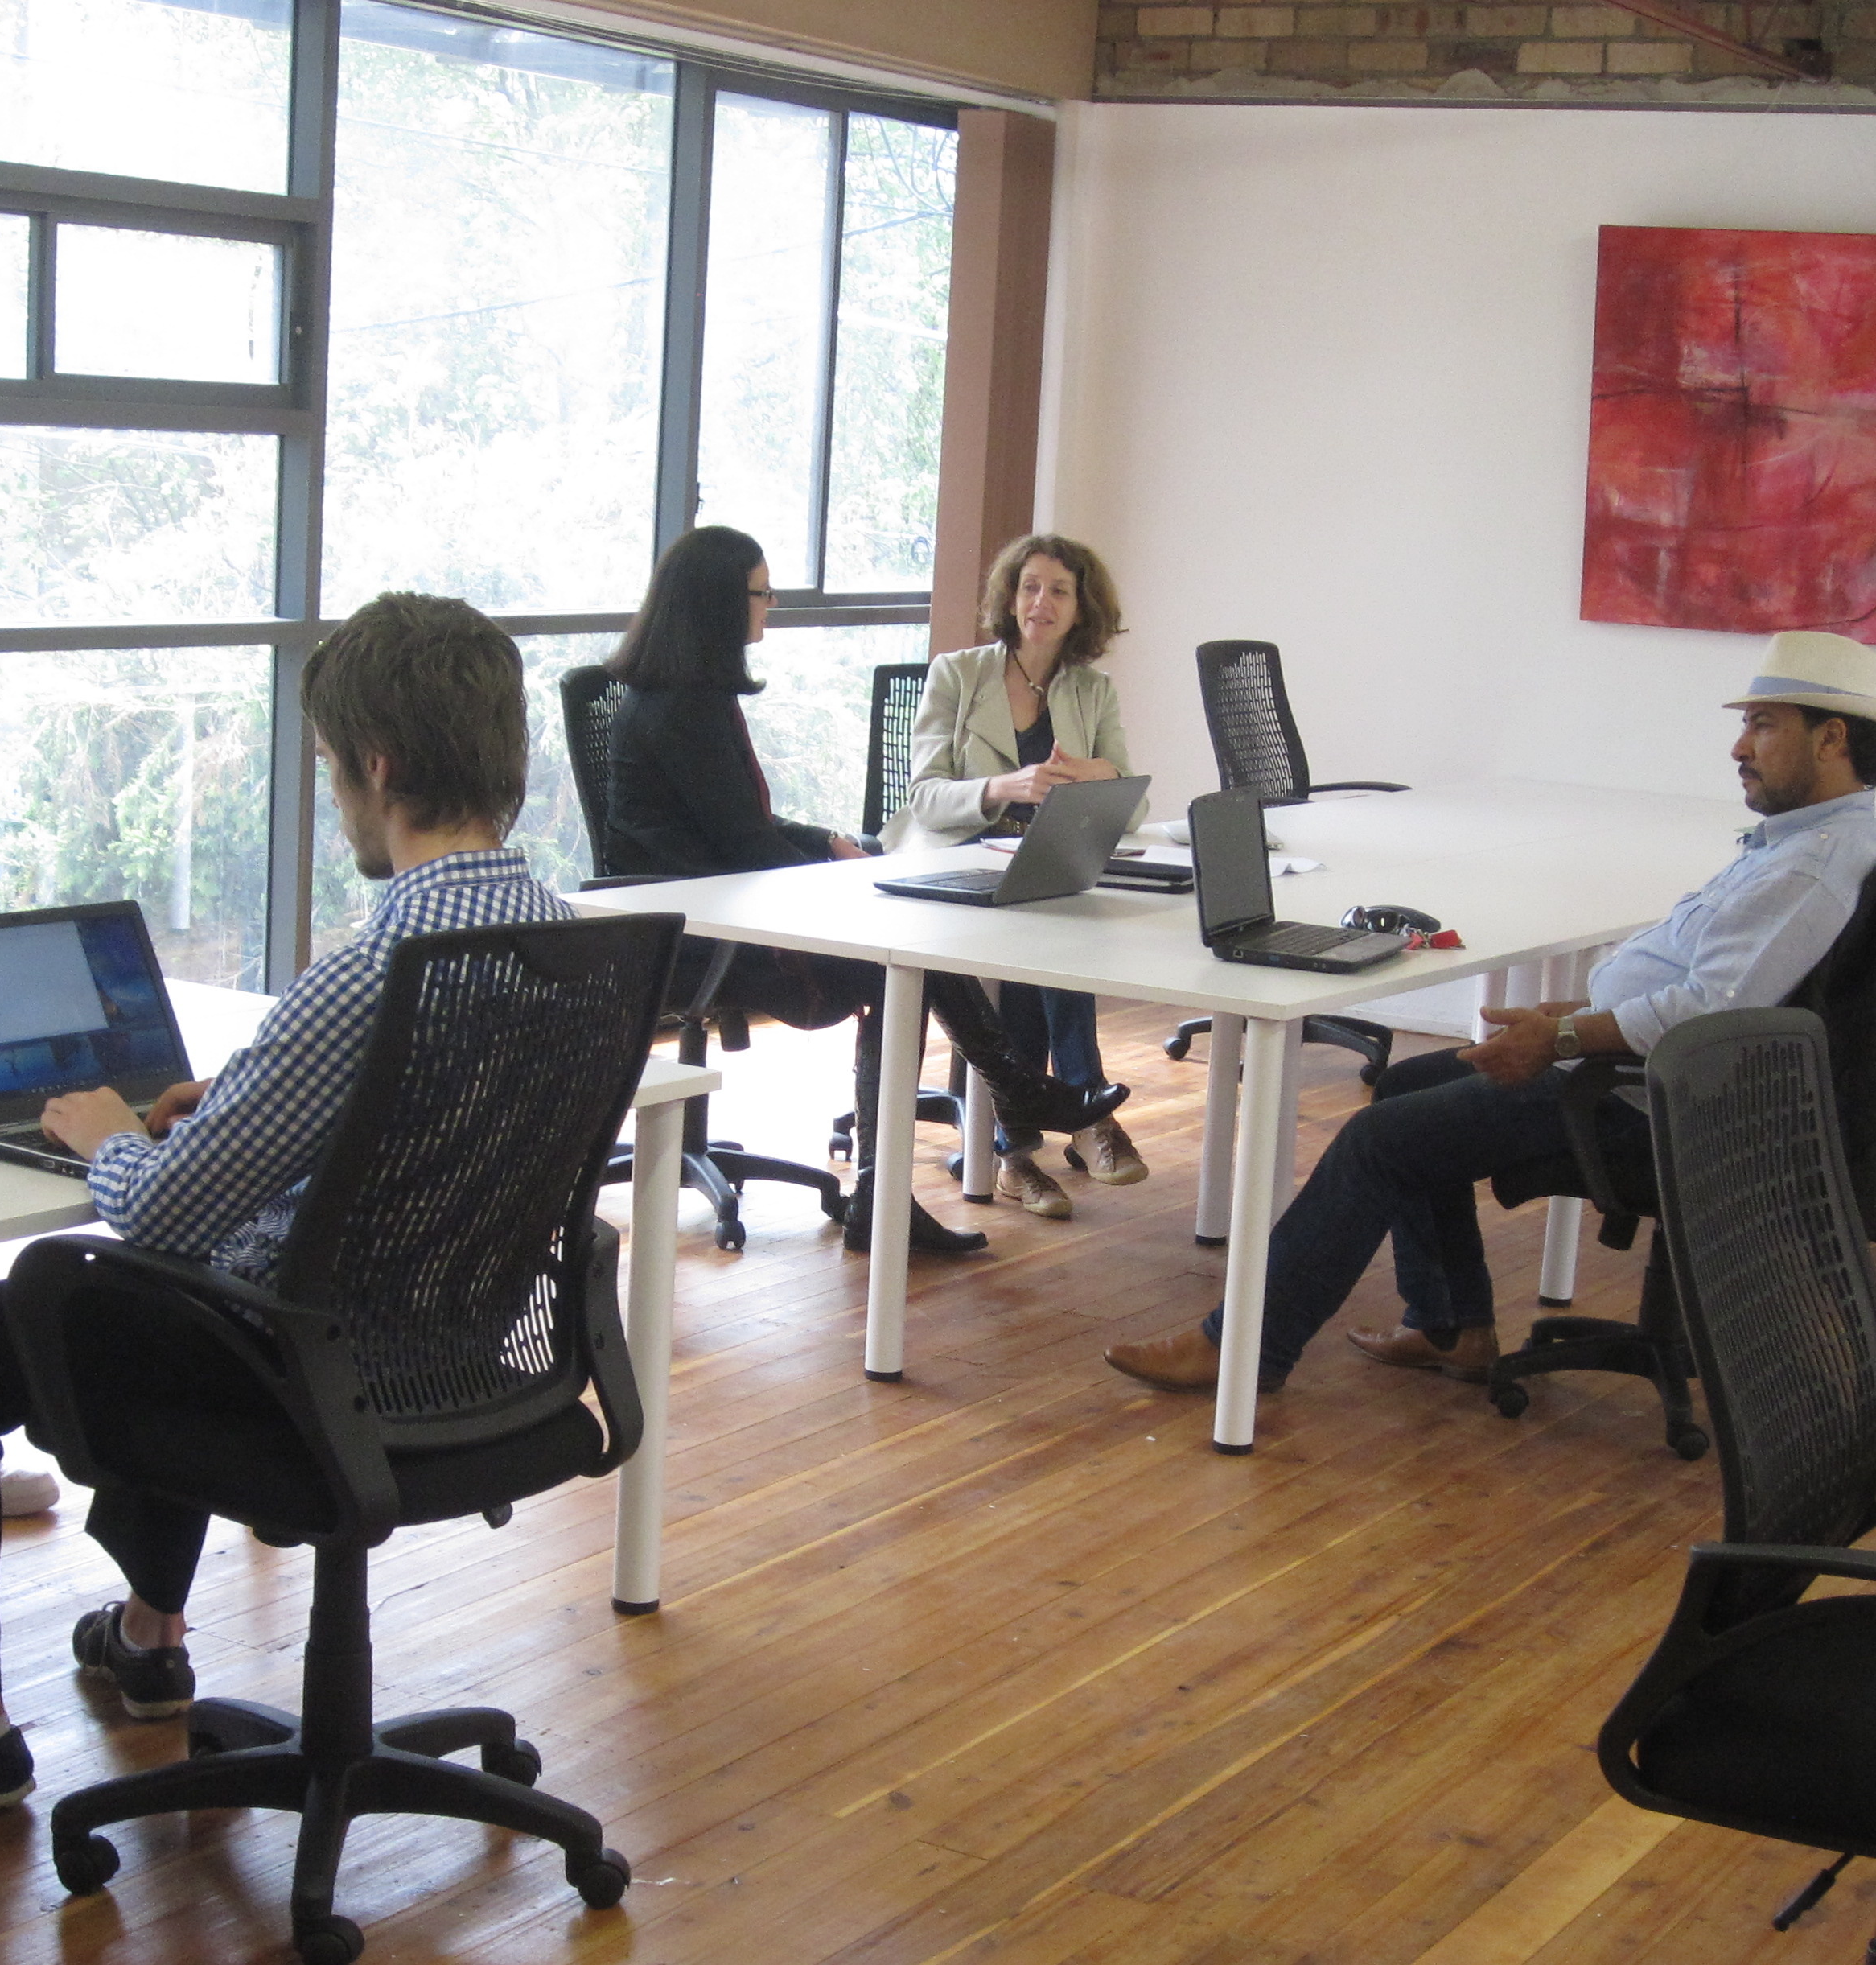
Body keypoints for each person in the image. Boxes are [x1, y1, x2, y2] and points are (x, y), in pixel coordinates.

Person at [0, 591, 580, 1811]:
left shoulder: (371, 973)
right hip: (460, 1355)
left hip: (304, 1378)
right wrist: (252, 1107)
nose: (332, 794)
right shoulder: (565, 942)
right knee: (177, 1288)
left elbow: (164, 1215)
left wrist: (106, 1137)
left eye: (328, 766)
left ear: (377, 764)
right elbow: (422, 1139)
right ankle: (148, 1640)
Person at [1103, 628, 1876, 1399]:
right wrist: (1583, 1012)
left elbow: (1707, 1013)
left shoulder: (1813, 864)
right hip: (1650, 1073)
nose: (1739, 746)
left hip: (1655, 1099)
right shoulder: (1811, 838)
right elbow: (1718, 983)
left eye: (1763, 725)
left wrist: (1564, 1036)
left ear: (1832, 739)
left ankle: (1241, 1350)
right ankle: (1450, 1326)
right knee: (1405, 1087)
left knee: (1380, 1142)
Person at [600, 524, 1125, 1258]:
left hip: (720, 906)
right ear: (718, 603)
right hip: (699, 935)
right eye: (762, 593)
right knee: (898, 961)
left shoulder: (689, 697)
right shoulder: (683, 710)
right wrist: (842, 877)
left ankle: (950, 1143)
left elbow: (741, 825)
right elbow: (745, 844)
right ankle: (978, 1116)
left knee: (903, 957)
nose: (771, 605)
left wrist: (826, 842)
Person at [887, 532, 1146, 1219]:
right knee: (1051, 926)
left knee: (1052, 916)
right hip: (954, 863)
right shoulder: (958, 674)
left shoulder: (1092, 691)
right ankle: (1086, 1114)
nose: (1041, 602)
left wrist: (1099, 773)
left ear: (1081, 607)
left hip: (1038, 869)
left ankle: (1015, 1151)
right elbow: (925, 798)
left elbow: (1135, 802)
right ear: (1009, 597)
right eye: (1030, 586)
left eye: (1059, 590)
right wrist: (1004, 787)